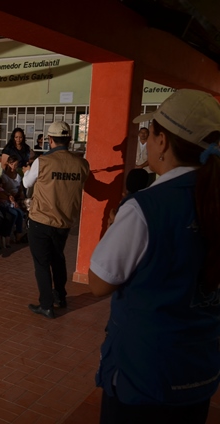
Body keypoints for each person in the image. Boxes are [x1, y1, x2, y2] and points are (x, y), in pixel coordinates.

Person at [89, 89, 220, 423]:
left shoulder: (147, 206)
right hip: (199, 370)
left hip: (145, 373)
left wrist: (112, 227)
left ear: (163, 141)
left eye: (150, 134)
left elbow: (99, 284)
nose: (146, 142)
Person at [22, 121, 89, 319]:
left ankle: (46, 304)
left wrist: (27, 171)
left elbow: (27, 183)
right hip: (64, 222)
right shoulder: (81, 163)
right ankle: (61, 297)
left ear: (50, 140)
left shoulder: (42, 161)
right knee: (58, 259)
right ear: (69, 140)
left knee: (42, 264)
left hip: (41, 220)